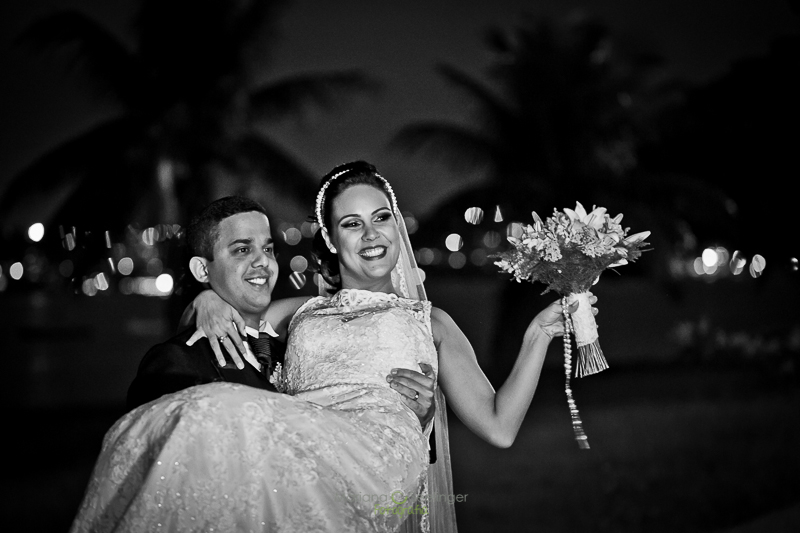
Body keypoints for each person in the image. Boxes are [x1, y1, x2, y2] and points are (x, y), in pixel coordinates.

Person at [70, 161, 594, 533]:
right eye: (352, 223)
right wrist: (204, 297)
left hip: (376, 451)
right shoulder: (296, 312)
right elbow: (235, 316)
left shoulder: (429, 321)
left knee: (212, 416)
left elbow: (500, 428)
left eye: (382, 217)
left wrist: (536, 337)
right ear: (332, 239)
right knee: (184, 429)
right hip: (299, 440)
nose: (371, 234)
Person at [126, 196, 435, 425]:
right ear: (202, 270)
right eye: (243, 250)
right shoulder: (176, 360)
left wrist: (417, 414)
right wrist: (203, 298)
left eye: (268, 249)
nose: (263, 262)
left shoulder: (300, 347)